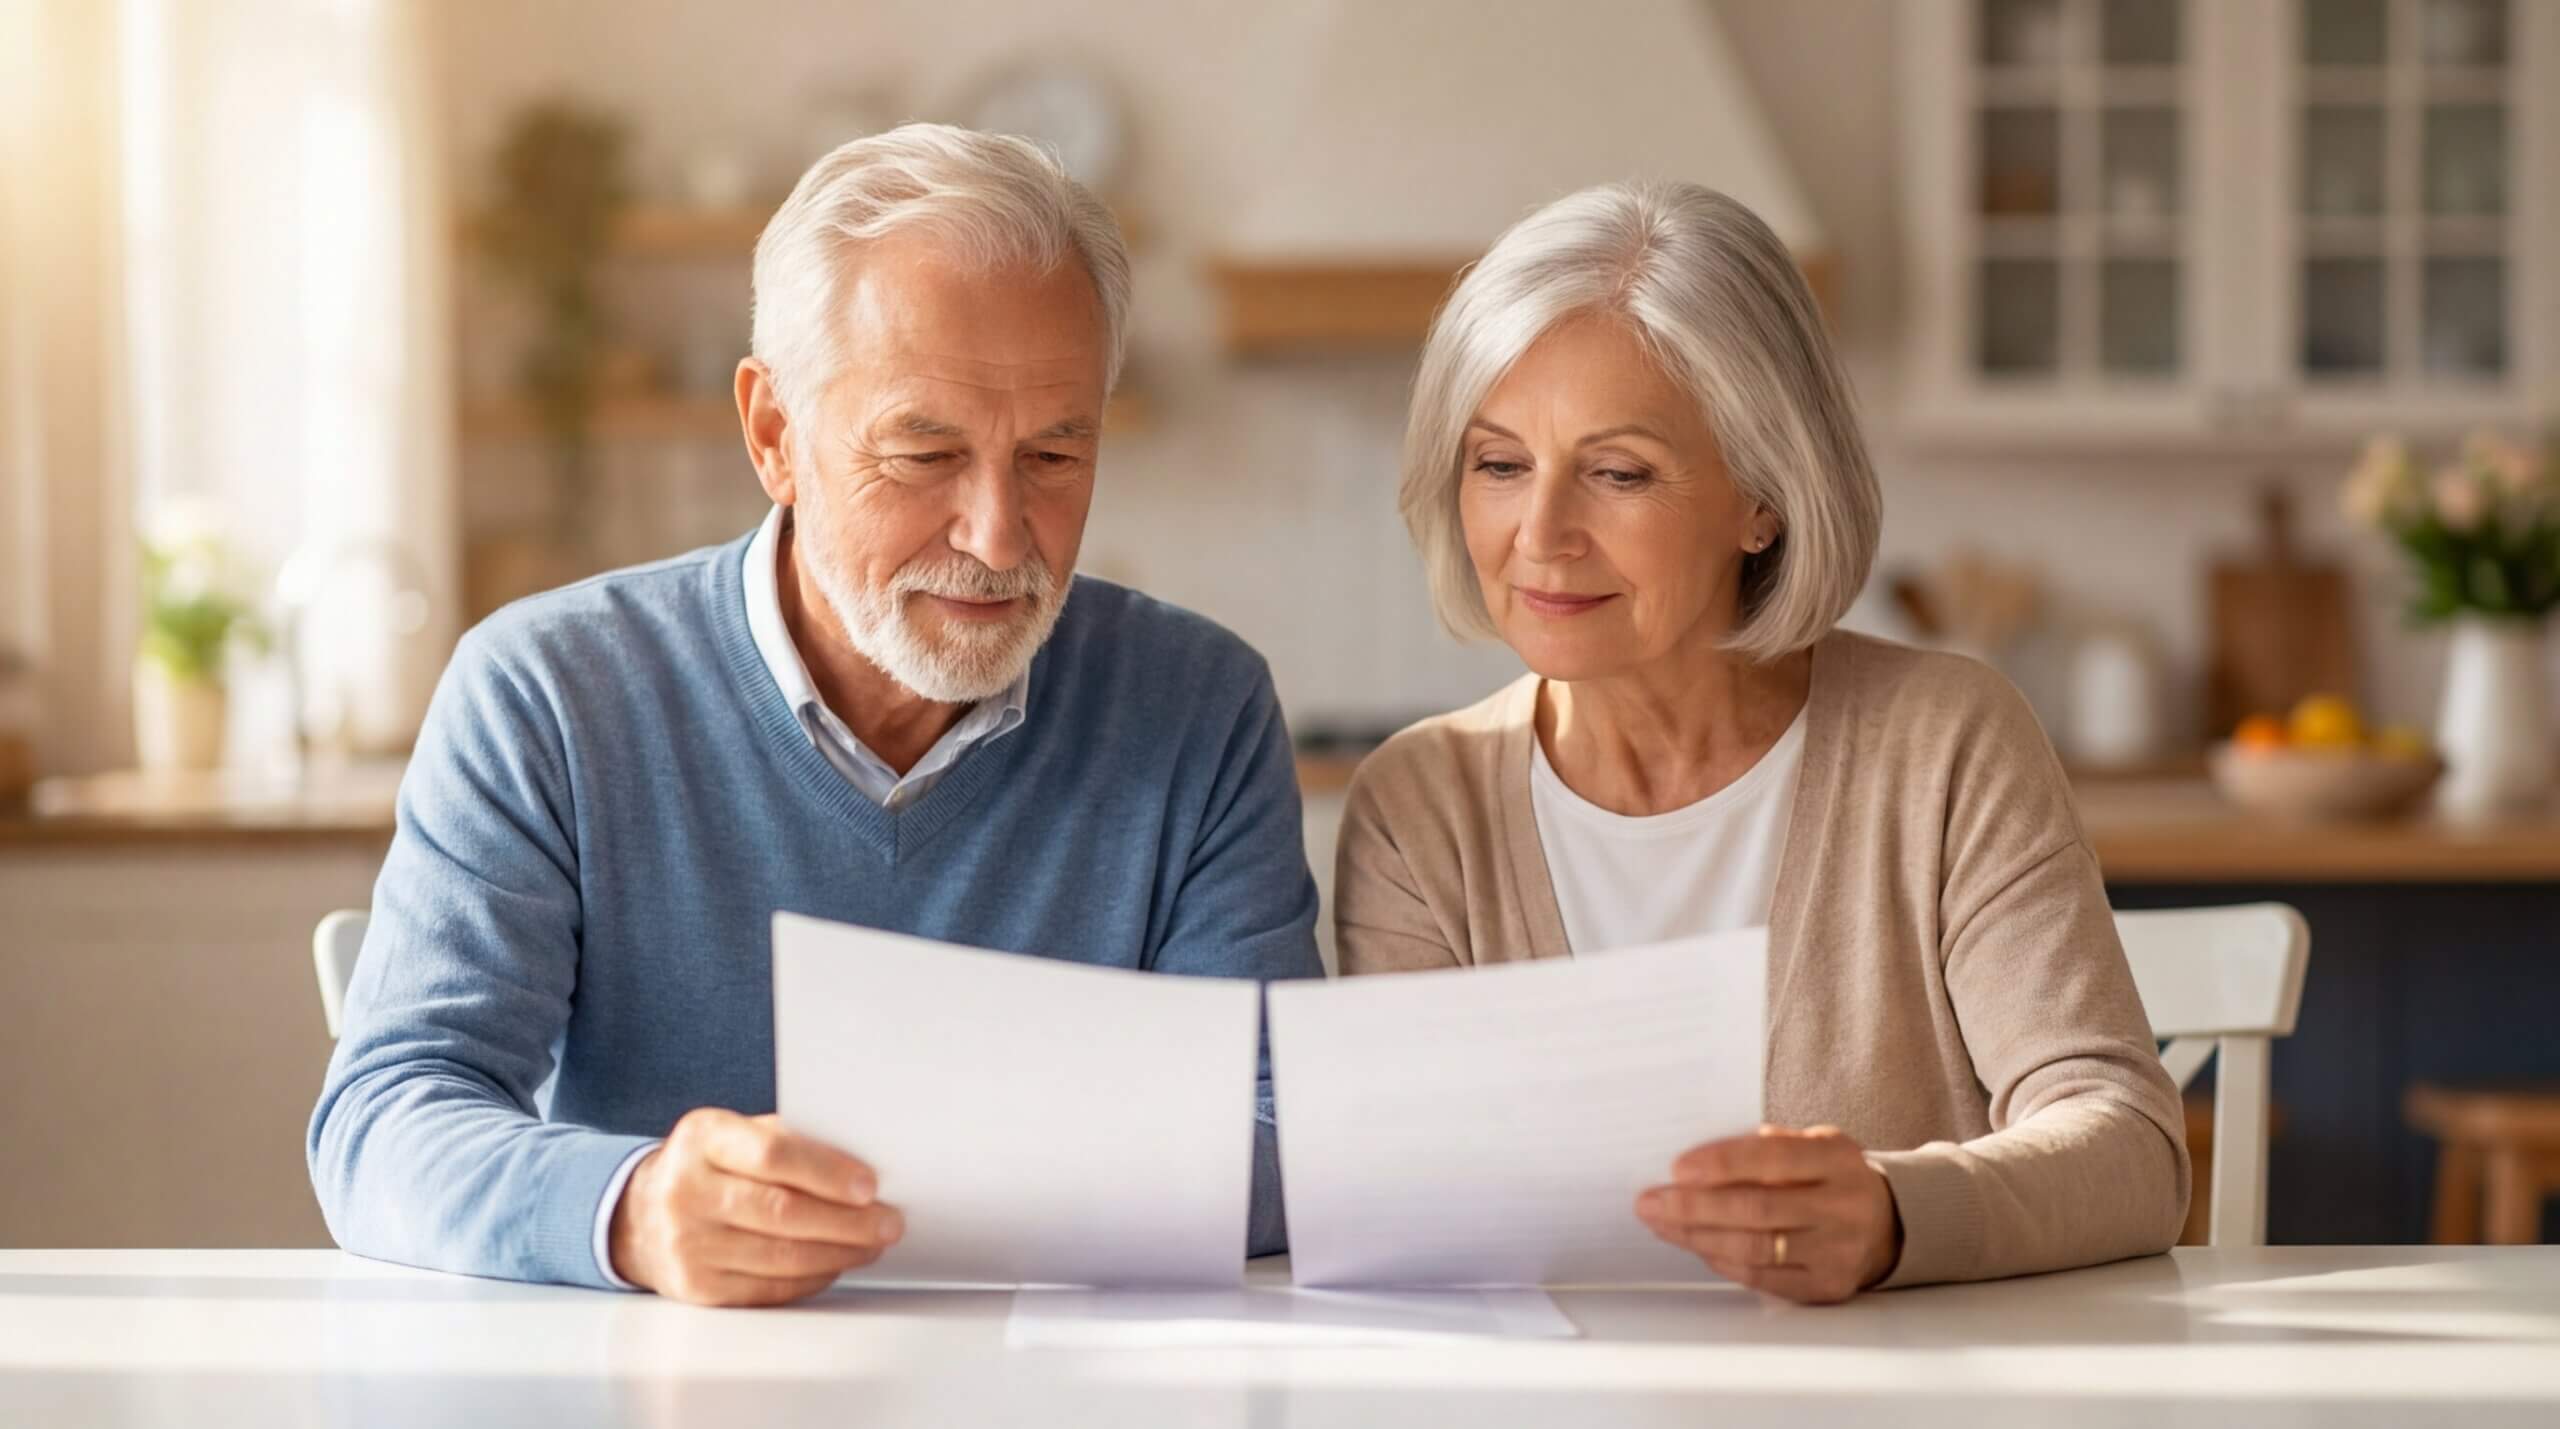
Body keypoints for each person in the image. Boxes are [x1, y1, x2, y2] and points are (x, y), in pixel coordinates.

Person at [310, 123, 1322, 1307]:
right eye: (924, 453)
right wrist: (631, 1210)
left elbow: (1288, 1132)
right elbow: (386, 1120)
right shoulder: (545, 693)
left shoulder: (1198, 707)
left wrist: (948, 1188)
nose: (999, 536)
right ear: (775, 435)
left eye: (1054, 456)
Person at [1333, 180, 2188, 1304]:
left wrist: (1891, 1216)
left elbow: (2129, 1148)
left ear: (1763, 498)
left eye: (1617, 472)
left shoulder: (1942, 745)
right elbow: (1403, 1206)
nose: (1539, 534)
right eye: (1499, 465)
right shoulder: (1419, 806)